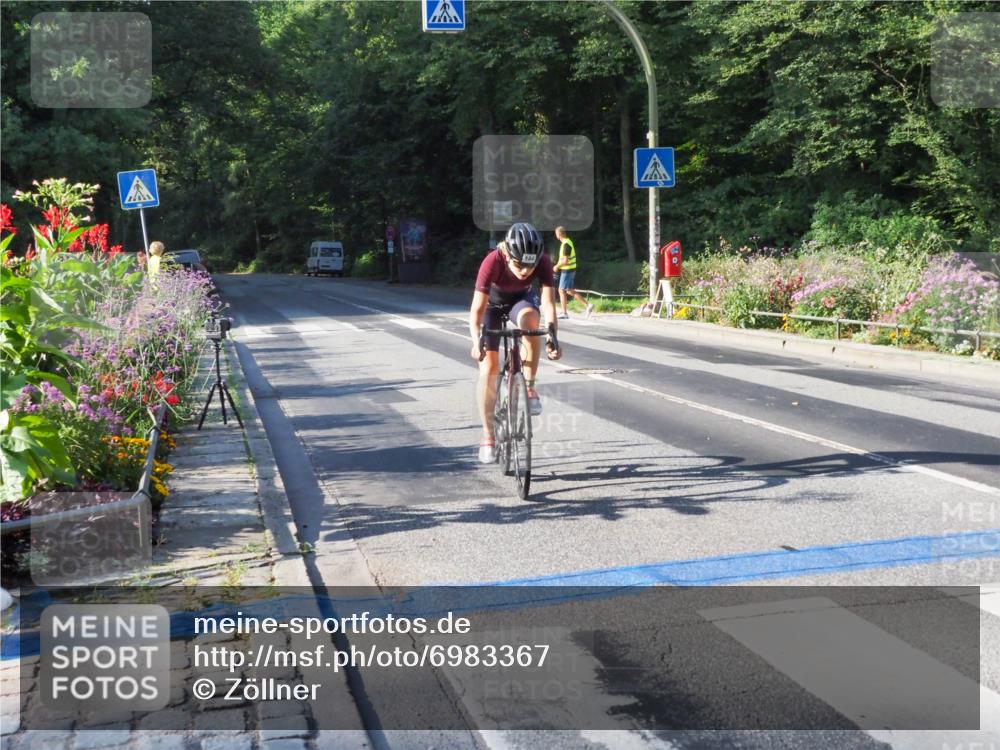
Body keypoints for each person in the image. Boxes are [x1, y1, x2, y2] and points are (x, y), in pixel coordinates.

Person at [469, 223, 562, 464]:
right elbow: (477, 310)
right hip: (492, 307)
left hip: (520, 302)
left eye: (529, 266)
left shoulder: (542, 262)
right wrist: (475, 340)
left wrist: (553, 336)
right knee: (488, 368)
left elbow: (549, 304)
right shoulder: (493, 261)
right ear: (508, 255)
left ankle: (529, 386)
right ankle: (488, 435)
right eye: (519, 264)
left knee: (532, 320)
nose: (525, 271)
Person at [552, 226, 594, 319]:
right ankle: (588, 305)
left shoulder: (566, 244)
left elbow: (565, 260)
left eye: (556, 234)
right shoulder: (567, 242)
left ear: (559, 234)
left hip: (567, 270)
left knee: (561, 290)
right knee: (569, 290)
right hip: (569, 269)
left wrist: (556, 266)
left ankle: (564, 313)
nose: (556, 236)